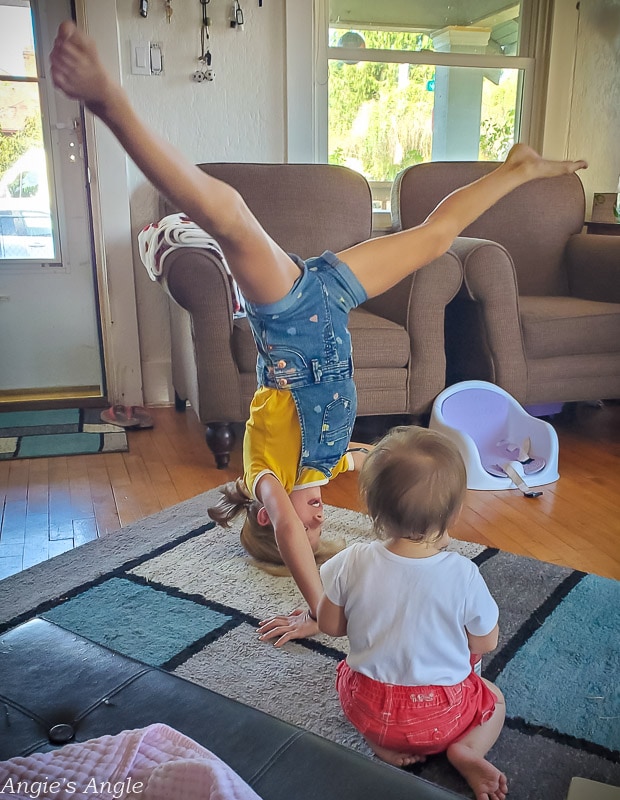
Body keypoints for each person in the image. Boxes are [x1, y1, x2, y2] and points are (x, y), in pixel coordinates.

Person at [49, 20, 587, 649]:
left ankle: (109, 102)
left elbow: (283, 530)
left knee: (226, 214)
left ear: (263, 513)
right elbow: (375, 461)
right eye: (316, 525)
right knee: (435, 239)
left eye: (305, 525)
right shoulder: (325, 462)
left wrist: (319, 610)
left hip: (284, 315)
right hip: (328, 300)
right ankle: (516, 168)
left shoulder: (266, 477)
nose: (315, 516)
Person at [317, 425, 507, 800]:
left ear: (372, 508)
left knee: (346, 671)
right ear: (453, 514)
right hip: (440, 719)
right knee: (494, 696)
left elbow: (330, 625)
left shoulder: (351, 560)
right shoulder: (463, 574)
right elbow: (486, 641)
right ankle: (466, 750)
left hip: (366, 706)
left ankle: (381, 742)